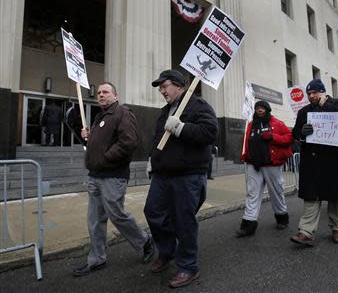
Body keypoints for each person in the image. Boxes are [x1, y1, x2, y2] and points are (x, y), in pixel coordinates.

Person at [144, 70, 218, 288]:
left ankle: (188, 267)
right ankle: (167, 252)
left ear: (178, 85)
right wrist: (152, 159)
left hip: (188, 175)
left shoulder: (199, 106)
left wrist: (182, 128)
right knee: (153, 212)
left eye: (164, 86)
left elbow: (210, 132)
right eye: (160, 88)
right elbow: (158, 137)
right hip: (162, 173)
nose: (162, 91)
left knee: (183, 220)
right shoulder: (165, 111)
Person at [72, 82, 154, 277]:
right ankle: (97, 259)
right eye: (99, 92)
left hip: (113, 176)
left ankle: (145, 241)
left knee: (117, 215)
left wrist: (104, 158)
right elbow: (102, 143)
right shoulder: (101, 116)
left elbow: (129, 142)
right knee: (94, 220)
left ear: (115, 96)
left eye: (105, 92)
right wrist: (89, 137)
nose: (101, 95)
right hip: (95, 176)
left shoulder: (123, 113)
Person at [290, 79, 338, 246]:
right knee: (311, 197)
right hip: (312, 161)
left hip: (335, 160)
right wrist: (302, 133)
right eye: (309, 94)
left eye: (315, 93)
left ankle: (337, 228)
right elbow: (295, 133)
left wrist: (325, 106)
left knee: (336, 196)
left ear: (323, 92)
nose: (311, 96)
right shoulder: (304, 112)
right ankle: (306, 232)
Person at [236, 100, 293, 237]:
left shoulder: (277, 123)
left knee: (276, 192)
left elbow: (289, 138)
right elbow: (246, 142)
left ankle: (281, 217)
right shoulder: (250, 125)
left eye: (262, 108)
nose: (260, 110)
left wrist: (273, 137)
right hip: (253, 164)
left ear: (267, 110)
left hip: (271, 164)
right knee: (252, 194)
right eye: (258, 108)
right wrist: (245, 156)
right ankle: (249, 224)